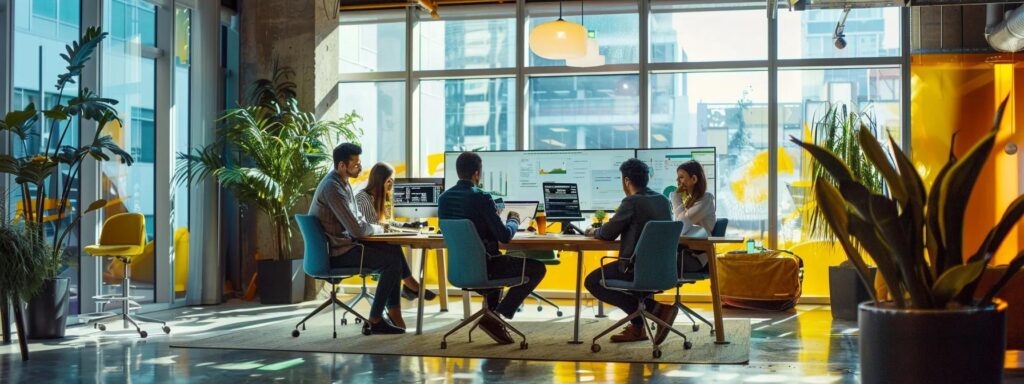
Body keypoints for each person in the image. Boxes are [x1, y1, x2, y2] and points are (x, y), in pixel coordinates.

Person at [437, 152, 547, 345]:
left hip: (459, 271)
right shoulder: (481, 198)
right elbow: (504, 236)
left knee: (496, 256)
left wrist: (489, 217)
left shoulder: (444, 198)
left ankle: (494, 320)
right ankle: (496, 316)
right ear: (477, 174)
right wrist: (513, 220)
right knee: (538, 268)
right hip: (487, 267)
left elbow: (471, 229)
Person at [308, 143, 409, 335]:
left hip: (344, 246)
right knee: (392, 262)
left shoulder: (344, 184)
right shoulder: (333, 188)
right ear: (341, 166)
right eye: (355, 163)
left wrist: (377, 229)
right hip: (336, 253)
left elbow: (359, 221)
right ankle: (376, 319)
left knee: (393, 250)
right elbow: (356, 229)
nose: (360, 167)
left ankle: (394, 312)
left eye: (360, 162)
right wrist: (379, 229)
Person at [583, 158, 679, 345]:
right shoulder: (662, 200)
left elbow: (608, 234)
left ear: (626, 181)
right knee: (629, 272)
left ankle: (656, 309)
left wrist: (594, 230)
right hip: (664, 269)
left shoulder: (631, 201)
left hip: (635, 268)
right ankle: (638, 328)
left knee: (593, 281)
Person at [354, 162, 438, 302]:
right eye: (389, 180)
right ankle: (411, 285)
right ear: (380, 180)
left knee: (394, 248)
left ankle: (409, 286)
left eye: (392, 180)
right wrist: (390, 228)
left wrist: (409, 225)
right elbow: (370, 227)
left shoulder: (383, 198)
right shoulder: (363, 198)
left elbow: (387, 223)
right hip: (364, 246)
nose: (391, 184)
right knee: (393, 249)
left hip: (378, 243)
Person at [671, 160, 717, 272]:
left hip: (696, 259)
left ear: (694, 179)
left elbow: (681, 225)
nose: (678, 181)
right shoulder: (690, 200)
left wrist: (675, 196)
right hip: (684, 253)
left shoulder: (706, 200)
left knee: (654, 261)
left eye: (681, 177)